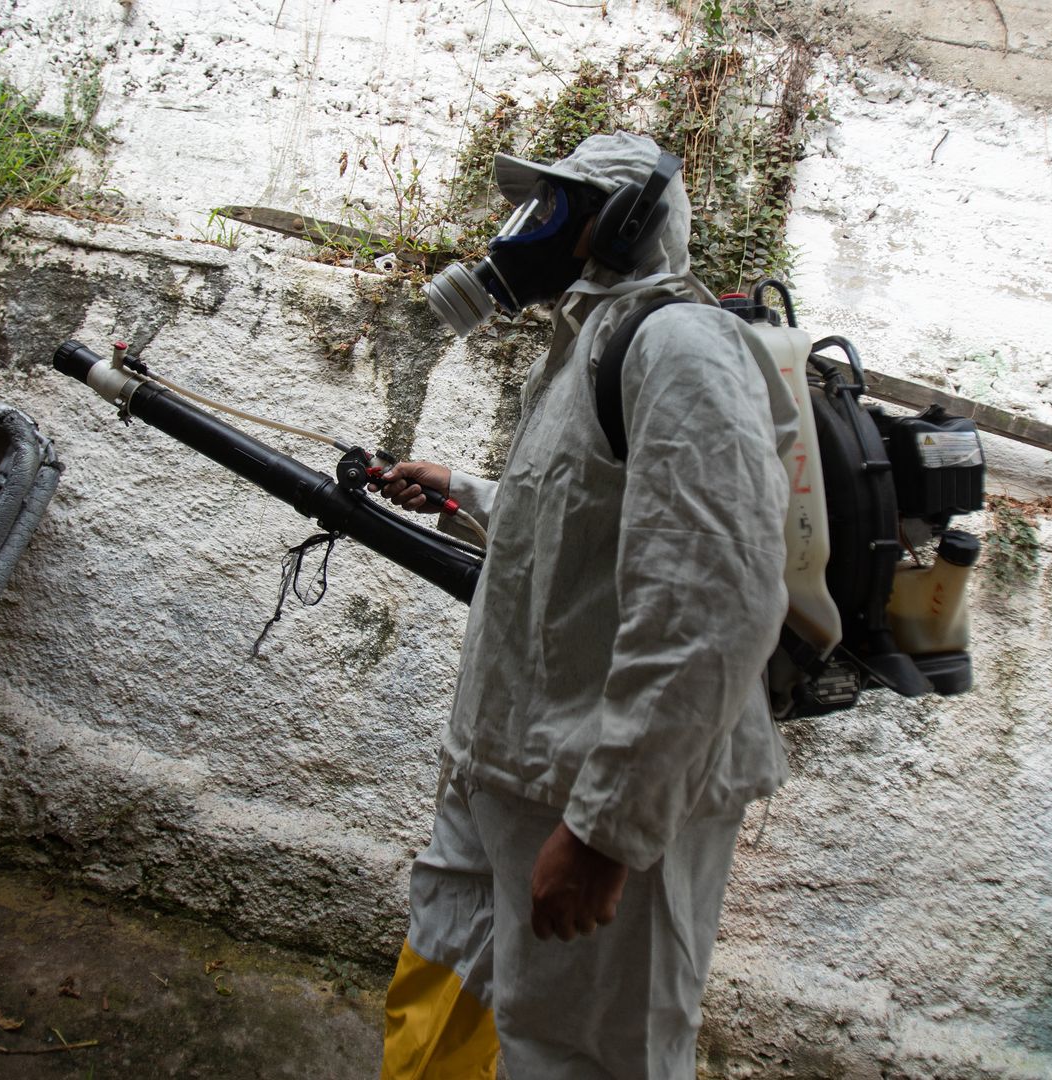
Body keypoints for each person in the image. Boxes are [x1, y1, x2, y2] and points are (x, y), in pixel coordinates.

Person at [375, 131, 796, 1080]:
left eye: (552, 206)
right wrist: (464, 490)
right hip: (505, 769)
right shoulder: (586, 348)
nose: (524, 229)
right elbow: (576, 519)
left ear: (624, 221)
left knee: (591, 1056)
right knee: (449, 989)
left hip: (596, 794)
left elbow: (715, 598)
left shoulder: (681, 346)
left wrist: (608, 831)